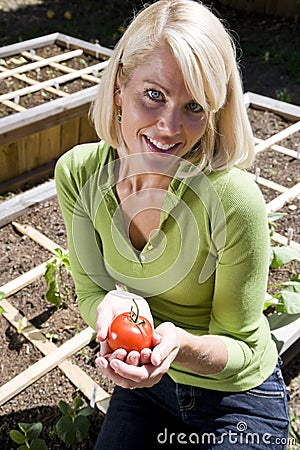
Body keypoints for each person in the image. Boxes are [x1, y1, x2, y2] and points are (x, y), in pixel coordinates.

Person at [54, 1, 290, 448]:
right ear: (121, 86)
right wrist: (106, 314)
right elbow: (91, 291)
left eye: (194, 106)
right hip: (148, 390)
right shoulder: (79, 175)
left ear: (214, 113)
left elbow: (239, 349)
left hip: (236, 398)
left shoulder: (232, 199)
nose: (169, 126)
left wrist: (177, 346)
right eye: (154, 94)